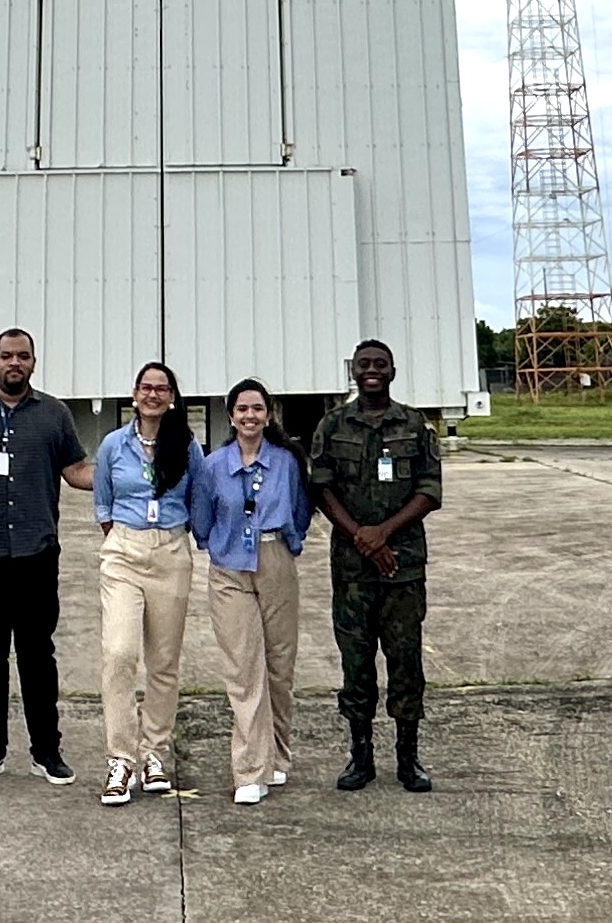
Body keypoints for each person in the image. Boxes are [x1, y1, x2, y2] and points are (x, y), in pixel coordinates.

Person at [0, 327, 92, 786]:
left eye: (22, 356)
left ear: (33, 362)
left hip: (36, 555)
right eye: (7, 355)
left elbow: (74, 470)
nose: (15, 363)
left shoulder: (54, 414)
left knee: (37, 656)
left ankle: (46, 751)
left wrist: (126, 475)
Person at [306, 337, 444, 793]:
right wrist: (362, 538)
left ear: (392, 372)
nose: (371, 370)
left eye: (380, 364)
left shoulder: (415, 425)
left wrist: (383, 532)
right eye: (364, 364)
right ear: (353, 371)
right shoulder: (332, 425)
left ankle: (408, 757)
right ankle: (360, 756)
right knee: (356, 663)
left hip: (402, 566)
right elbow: (321, 488)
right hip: (352, 571)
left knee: (406, 662)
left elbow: (430, 489)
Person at [187, 377, 310, 805]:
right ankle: (249, 769)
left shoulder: (286, 462)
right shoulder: (212, 465)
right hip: (229, 570)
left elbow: (300, 510)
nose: (250, 416)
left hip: (276, 560)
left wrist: (289, 543)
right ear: (231, 416)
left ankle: (277, 754)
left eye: (257, 408)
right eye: (242, 409)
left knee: (279, 666)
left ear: (269, 414)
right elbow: (201, 518)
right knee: (243, 669)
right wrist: (219, 545)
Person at [89, 360, 198, 805]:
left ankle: (154, 751)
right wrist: (122, 538)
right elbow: (103, 501)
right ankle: (121, 757)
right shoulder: (113, 445)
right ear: (134, 395)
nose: (153, 394)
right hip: (124, 552)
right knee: (119, 653)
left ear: (171, 397)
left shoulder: (186, 445)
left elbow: (197, 497)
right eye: (146, 387)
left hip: (171, 551)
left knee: (163, 660)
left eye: (162, 388)